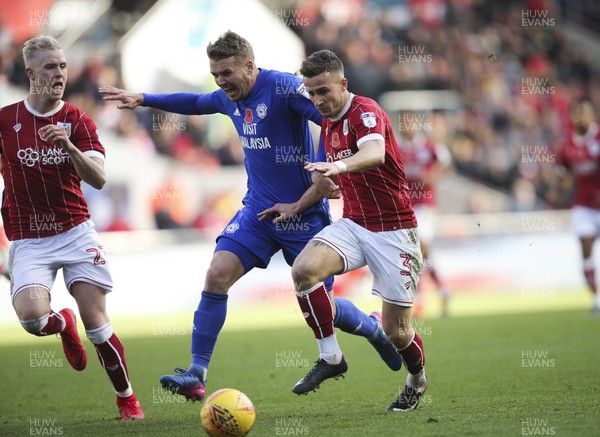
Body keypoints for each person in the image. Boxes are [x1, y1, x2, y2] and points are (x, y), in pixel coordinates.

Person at [99, 30, 404, 402]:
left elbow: (330, 120)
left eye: (226, 73)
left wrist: (325, 168)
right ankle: (197, 373)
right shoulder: (229, 97)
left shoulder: (284, 88)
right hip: (257, 211)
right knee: (216, 274)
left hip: (302, 214)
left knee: (321, 306)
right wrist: (144, 98)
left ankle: (372, 328)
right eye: (215, 75)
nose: (221, 82)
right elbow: (195, 102)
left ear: (249, 65)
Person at [0, 35, 144, 420]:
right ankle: (63, 321)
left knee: (97, 324)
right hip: (30, 237)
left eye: (63, 66)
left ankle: (127, 399)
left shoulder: (78, 120)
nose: (59, 73)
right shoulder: (6, 120)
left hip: (75, 231)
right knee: (32, 318)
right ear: (30, 73)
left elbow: (97, 178)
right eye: (50, 67)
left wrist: (69, 147)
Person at [290, 49, 427, 412]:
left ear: (343, 84)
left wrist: (338, 167)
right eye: (311, 93)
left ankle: (416, 380)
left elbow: (374, 154)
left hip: (393, 229)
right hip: (353, 223)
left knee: (398, 333)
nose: (318, 100)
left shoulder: (365, 111)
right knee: (303, 271)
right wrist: (294, 207)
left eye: (324, 91)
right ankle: (331, 357)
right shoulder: (329, 122)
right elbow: (324, 180)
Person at [397, 113, 452, 318]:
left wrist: (433, 176)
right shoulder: (397, 148)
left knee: (419, 246)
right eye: (403, 123)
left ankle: (420, 297)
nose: (406, 127)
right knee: (418, 252)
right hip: (406, 207)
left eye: (409, 122)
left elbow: (447, 163)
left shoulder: (429, 146)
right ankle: (442, 289)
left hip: (425, 206)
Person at [556, 99, 600, 314]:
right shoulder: (568, 144)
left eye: (585, 112)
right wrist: (559, 190)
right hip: (583, 205)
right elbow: (564, 172)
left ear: (593, 116)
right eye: (577, 113)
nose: (581, 117)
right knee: (585, 246)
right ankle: (596, 299)